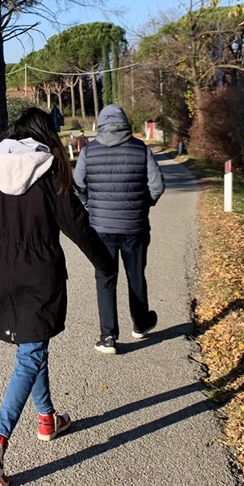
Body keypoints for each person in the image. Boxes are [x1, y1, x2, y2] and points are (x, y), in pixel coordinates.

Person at [0, 107, 115, 486]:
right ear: (45, 135)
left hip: (5, 272)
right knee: (31, 353)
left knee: (32, 347)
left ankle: (47, 419)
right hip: (41, 274)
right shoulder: (50, 171)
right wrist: (106, 266)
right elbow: (78, 226)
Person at [73, 104, 165, 355]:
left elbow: (78, 185)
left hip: (100, 229)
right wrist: (142, 205)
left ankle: (108, 337)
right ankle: (141, 324)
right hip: (135, 227)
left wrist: (89, 205)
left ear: (101, 124)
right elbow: (157, 186)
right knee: (136, 276)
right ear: (125, 123)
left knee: (105, 278)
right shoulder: (140, 149)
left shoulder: (89, 151)